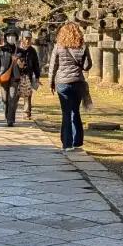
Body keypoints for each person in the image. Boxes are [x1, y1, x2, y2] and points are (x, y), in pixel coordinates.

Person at [48, 20, 92, 151]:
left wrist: (50, 82)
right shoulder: (82, 46)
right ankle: (77, 141)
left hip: (63, 83)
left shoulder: (59, 46)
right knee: (75, 111)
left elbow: (53, 65)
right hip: (77, 82)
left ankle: (67, 144)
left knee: (66, 112)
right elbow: (87, 66)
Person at [0, 32, 21, 126]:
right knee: (5, 99)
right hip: (4, 75)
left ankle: (10, 119)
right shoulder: (1, 49)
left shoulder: (19, 50)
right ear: (6, 38)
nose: (11, 38)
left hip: (15, 76)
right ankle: (7, 115)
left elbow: (24, 64)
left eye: (13, 36)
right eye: (9, 36)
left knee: (12, 98)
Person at [14, 32, 41, 123]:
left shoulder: (32, 50)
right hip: (17, 74)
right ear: (22, 38)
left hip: (28, 74)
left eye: (29, 38)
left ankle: (27, 112)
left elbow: (36, 64)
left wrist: (37, 75)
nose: (27, 40)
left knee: (28, 93)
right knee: (16, 93)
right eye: (26, 38)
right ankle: (12, 111)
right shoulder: (16, 49)